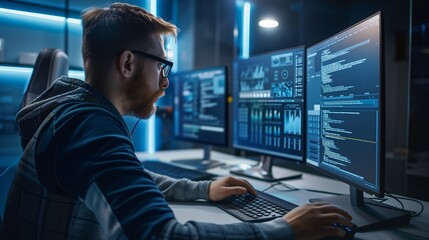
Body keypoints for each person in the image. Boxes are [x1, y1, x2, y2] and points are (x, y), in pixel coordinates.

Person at [2, 3, 353, 239]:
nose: (165, 82)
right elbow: (164, 236)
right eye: (161, 66)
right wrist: (284, 230)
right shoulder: (91, 130)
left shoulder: (75, 112)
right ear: (127, 64)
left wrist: (202, 189)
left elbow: (127, 175)